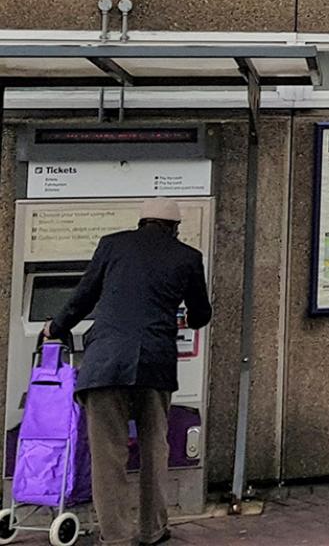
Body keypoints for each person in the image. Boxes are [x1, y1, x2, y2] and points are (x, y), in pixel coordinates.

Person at [44, 198, 211, 546]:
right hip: (154, 363)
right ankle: (152, 531)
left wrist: (55, 327)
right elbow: (200, 315)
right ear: (175, 228)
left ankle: (116, 536)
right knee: (154, 450)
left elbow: (83, 296)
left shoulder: (112, 244)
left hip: (105, 364)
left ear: (141, 222)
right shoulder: (188, 257)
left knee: (108, 455)